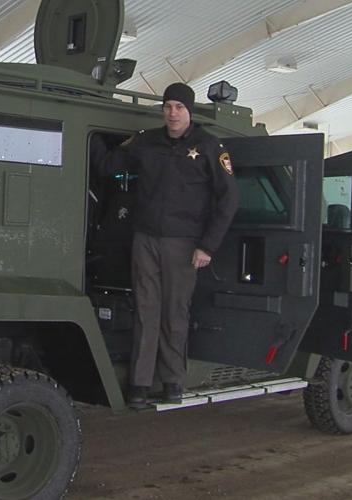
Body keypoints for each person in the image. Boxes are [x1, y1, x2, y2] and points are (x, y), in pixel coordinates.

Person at [99, 82, 239, 408]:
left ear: (190, 111)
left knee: (174, 313)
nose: (172, 113)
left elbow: (229, 199)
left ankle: (173, 381)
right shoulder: (147, 142)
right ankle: (140, 384)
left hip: (184, 243)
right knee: (146, 312)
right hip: (146, 239)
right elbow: (111, 165)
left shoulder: (209, 147)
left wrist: (208, 246)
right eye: (167, 107)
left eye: (179, 107)